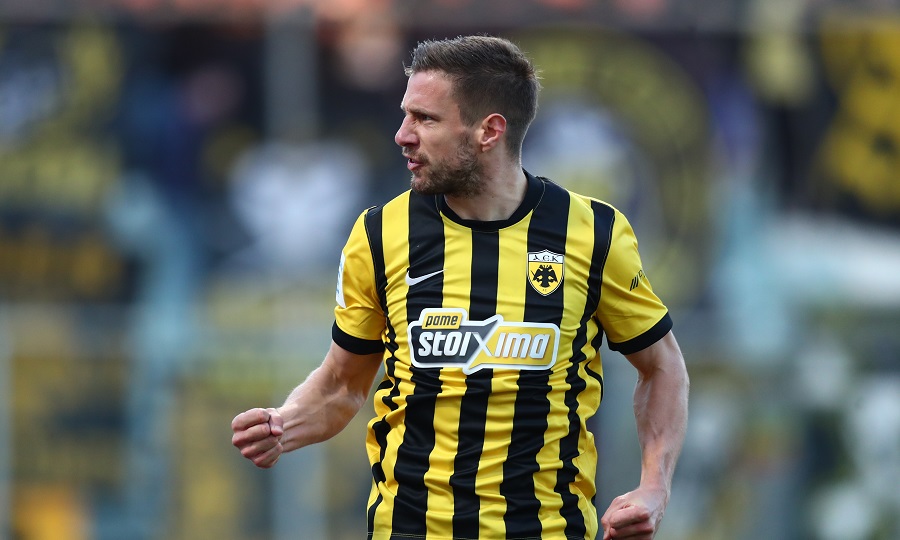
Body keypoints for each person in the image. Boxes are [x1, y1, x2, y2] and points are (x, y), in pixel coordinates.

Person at [231, 34, 689, 540]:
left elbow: (662, 365)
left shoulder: (592, 233)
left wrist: (654, 487)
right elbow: (343, 383)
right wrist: (283, 424)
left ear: (489, 131)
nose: (402, 135)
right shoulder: (380, 234)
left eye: (425, 119)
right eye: (405, 116)